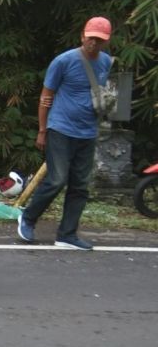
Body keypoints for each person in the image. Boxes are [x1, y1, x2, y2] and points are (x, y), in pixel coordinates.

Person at [18, 17, 113, 250]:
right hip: (60, 128)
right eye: (91, 38)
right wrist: (42, 130)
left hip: (88, 132)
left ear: (106, 42)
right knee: (57, 180)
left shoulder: (106, 63)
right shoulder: (64, 61)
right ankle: (28, 217)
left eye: (99, 40)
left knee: (80, 185)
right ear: (82, 36)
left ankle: (67, 234)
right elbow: (46, 96)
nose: (94, 43)